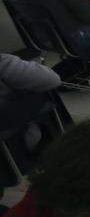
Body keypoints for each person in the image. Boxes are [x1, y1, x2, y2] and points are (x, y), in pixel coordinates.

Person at [0, 54, 69, 187]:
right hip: (18, 148)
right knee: (43, 90)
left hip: (8, 160)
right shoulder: (3, 63)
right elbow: (53, 80)